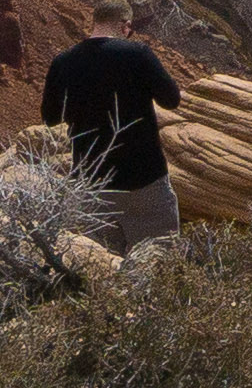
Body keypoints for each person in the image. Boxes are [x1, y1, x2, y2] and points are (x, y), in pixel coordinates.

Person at [38, 22, 187, 247]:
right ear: (125, 26)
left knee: (98, 268)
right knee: (158, 263)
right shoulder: (137, 54)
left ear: (94, 23)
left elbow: (50, 117)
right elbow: (171, 99)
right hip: (143, 180)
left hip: (90, 182)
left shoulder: (64, 61)